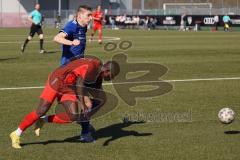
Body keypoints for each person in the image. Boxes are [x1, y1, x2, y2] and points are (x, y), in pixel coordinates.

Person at [9, 57, 120, 149]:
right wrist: (84, 104)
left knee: (72, 116)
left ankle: (44, 120)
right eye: (112, 76)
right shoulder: (93, 67)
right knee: (41, 110)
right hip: (58, 80)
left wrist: (93, 106)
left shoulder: (99, 74)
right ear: (107, 71)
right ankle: (16, 133)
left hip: (69, 87)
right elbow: (80, 84)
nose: (112, 78)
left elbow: (97, 93)